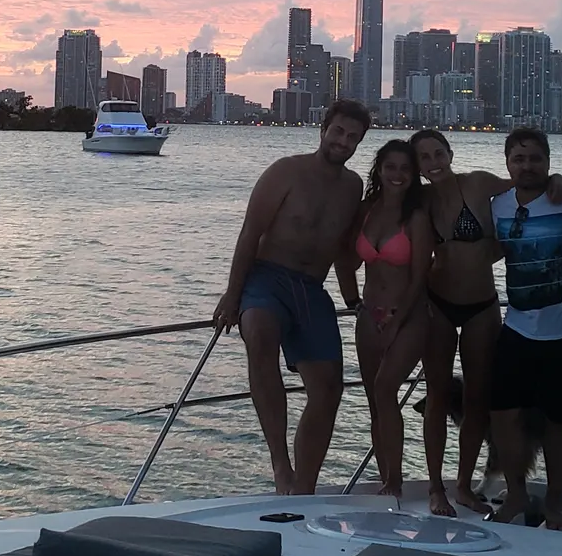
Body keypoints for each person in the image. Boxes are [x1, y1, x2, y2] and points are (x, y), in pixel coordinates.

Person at [213, 99, 371, 495]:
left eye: (353, 137)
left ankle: (305, 486)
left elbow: (341, 251)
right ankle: (280, 465)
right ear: (323, 129)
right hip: (266, 278)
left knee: (329, 387)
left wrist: (354, 302)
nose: (343, 141)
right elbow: (250, 234)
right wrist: (232, 296)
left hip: (311, 289)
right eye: (338, 131)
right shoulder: (285, 171)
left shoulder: (354, 187)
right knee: (259, 334)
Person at [489, 126, 562, 529]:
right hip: (516, 330)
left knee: (561, 423)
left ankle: (553, 503)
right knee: (503, 416)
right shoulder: (496, 206)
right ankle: (514, 495)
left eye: (535, 159)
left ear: (548, 161)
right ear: (508, 163)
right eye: (519, 159)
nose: (527, 166)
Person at [408, 128, 508, 515]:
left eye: (438, 153)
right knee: (436, 398)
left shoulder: (479, 184)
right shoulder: (422, 202)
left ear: (450, 153)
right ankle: (436, 487)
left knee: (477, 399)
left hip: (483, 304)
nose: (434, 163)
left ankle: (464, 485)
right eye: (425, 158)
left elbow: (527, 186)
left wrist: (556, 184)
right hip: (438, 305)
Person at [335, 139, 435, 506]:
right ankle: (384, 477)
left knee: (384, 390)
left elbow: (419, 276)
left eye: (405, 169)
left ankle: (395, 480)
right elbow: (345, 259)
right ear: (379, 169)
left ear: (414, 175)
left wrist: (396, 320)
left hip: (408, 316)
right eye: (390, 167)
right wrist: (352, 303)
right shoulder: (365, 212)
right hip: (368, 315)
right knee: (375, 402)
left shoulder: (417, 218)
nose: (397, 175)